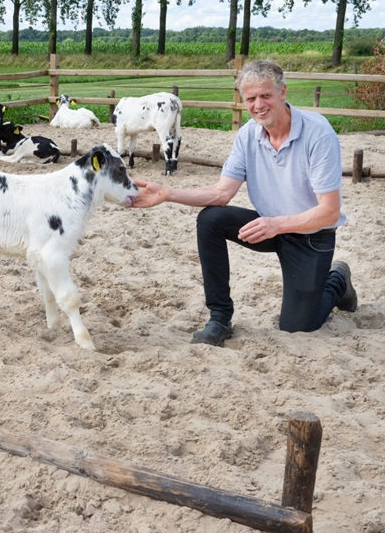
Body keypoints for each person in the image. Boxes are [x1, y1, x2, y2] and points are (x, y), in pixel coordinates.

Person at [131, 59, 358, 347]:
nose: (258, 105)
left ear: (283, 92)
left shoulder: (318, 133)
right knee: (210, 219)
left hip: (310, 235)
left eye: (265, 95)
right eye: (250, 98)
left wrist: (277, 224)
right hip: (268, 226)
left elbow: (329, 212)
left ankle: (337, 280)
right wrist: (167, 193)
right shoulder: (247, 134)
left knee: (298, 326)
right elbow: (221, 193)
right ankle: (219, 317)